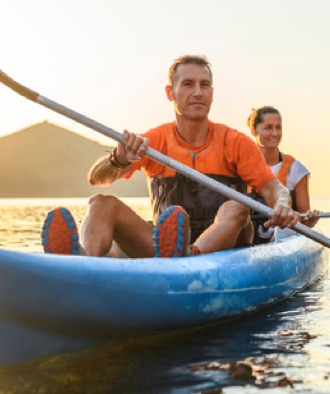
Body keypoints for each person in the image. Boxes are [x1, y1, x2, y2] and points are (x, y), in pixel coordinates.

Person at [41, 55, 301, 258]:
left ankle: (189, 254)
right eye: (188, 84)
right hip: (164, 249)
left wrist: (282, 205)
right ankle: (82, 261)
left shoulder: (235, 142)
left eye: (204, 85)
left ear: (212, 93)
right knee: (101, 203)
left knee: (237, 206)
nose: (198, 92)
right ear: (170, 93)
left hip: (226, 246)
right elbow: (97, 179)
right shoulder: (154, 141)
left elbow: (272, 187)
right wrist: (118, 158)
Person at [247, 106, 319, 243]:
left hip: (283, 238)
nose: (275, 133)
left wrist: (309, 220)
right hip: (249, 238)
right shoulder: (242, 168)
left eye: (278, 127)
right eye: (268, 128)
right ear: (254, 131)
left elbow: (304, 220)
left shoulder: (296, 170)